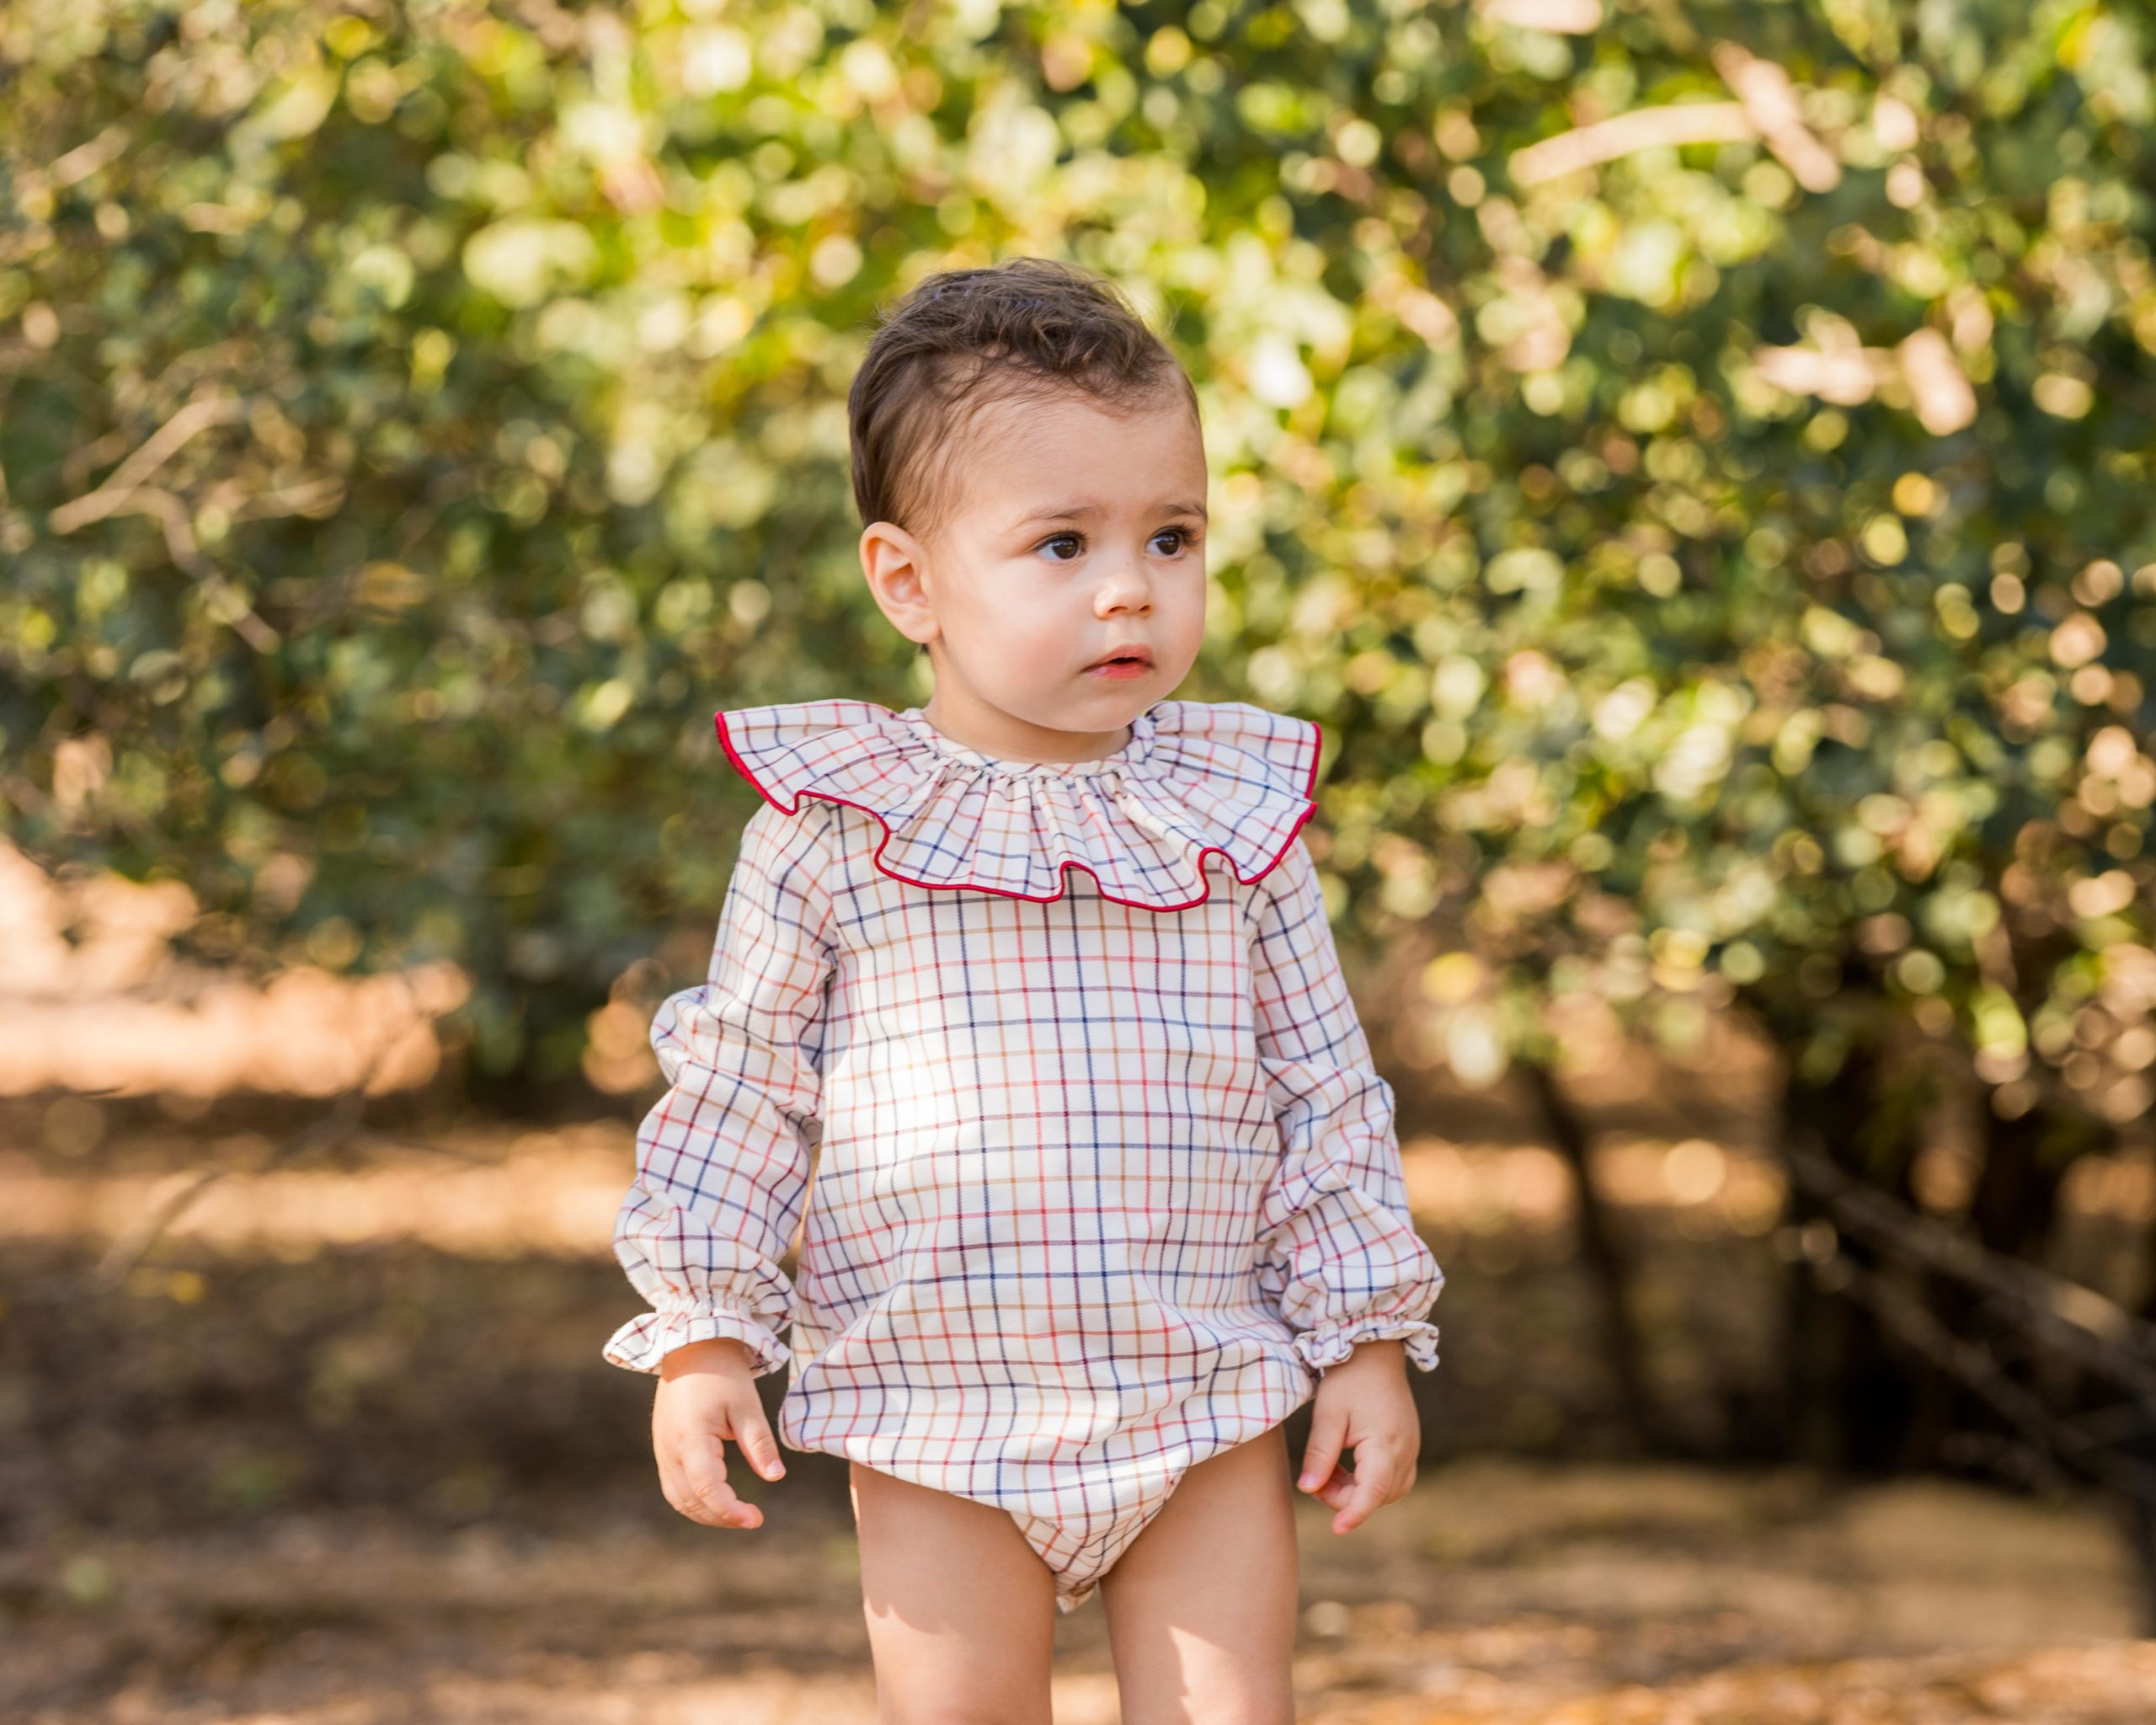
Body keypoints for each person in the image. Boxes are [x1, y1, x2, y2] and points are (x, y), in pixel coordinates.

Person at [602, 255, 1445, 1722]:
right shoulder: (835, 830)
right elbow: (742, 1087)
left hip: (1202, 1396)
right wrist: (706, 1333)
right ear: (908, 582)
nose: (1131, 586)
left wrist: (1364, 1338)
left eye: (1172, 536)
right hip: (935, 1407)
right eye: (1062, 544)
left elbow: (1325, 1094)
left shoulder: (1231, 823)